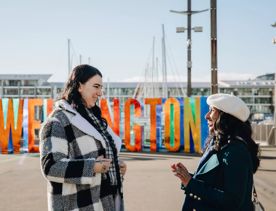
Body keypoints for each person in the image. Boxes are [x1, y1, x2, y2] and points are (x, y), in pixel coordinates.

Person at [39, 64, 126, 211]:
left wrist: (116, 168)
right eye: (96, 86)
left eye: (101, 88)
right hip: (77, 205)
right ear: (79, 86)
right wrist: (93, 167)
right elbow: (51, 166)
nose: (100, 93)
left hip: (105, 200)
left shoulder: (92, 117)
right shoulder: (58, 121)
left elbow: (102, 154)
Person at [171, 93, 260, 211]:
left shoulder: (236, 150)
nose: (206, 116)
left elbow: (232, 201)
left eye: (212, 111)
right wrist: (187, 178)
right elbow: (215, 181)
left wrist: (191, 183)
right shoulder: (219, 143)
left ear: (225, 117)